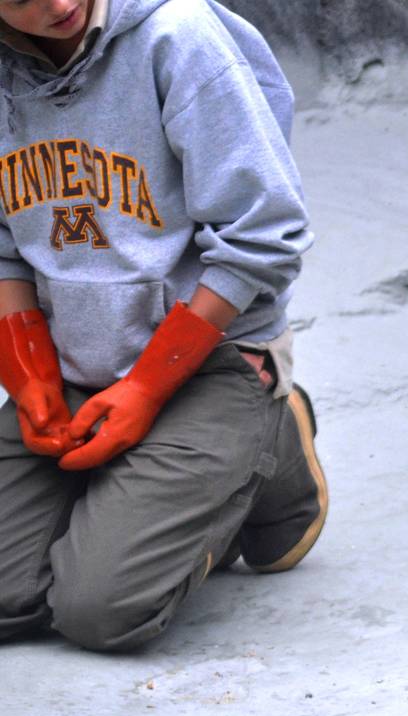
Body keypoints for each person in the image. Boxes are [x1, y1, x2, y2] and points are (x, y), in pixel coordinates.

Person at [0, 0, 325, 651]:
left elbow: (266, 234)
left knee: (99, 610)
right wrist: (27, 370)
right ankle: (152, 491)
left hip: (210, 358)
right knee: (10, 595)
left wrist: (147, 387)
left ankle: (273, 440)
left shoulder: (178, 36)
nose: (59, 4)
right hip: (77, 364)